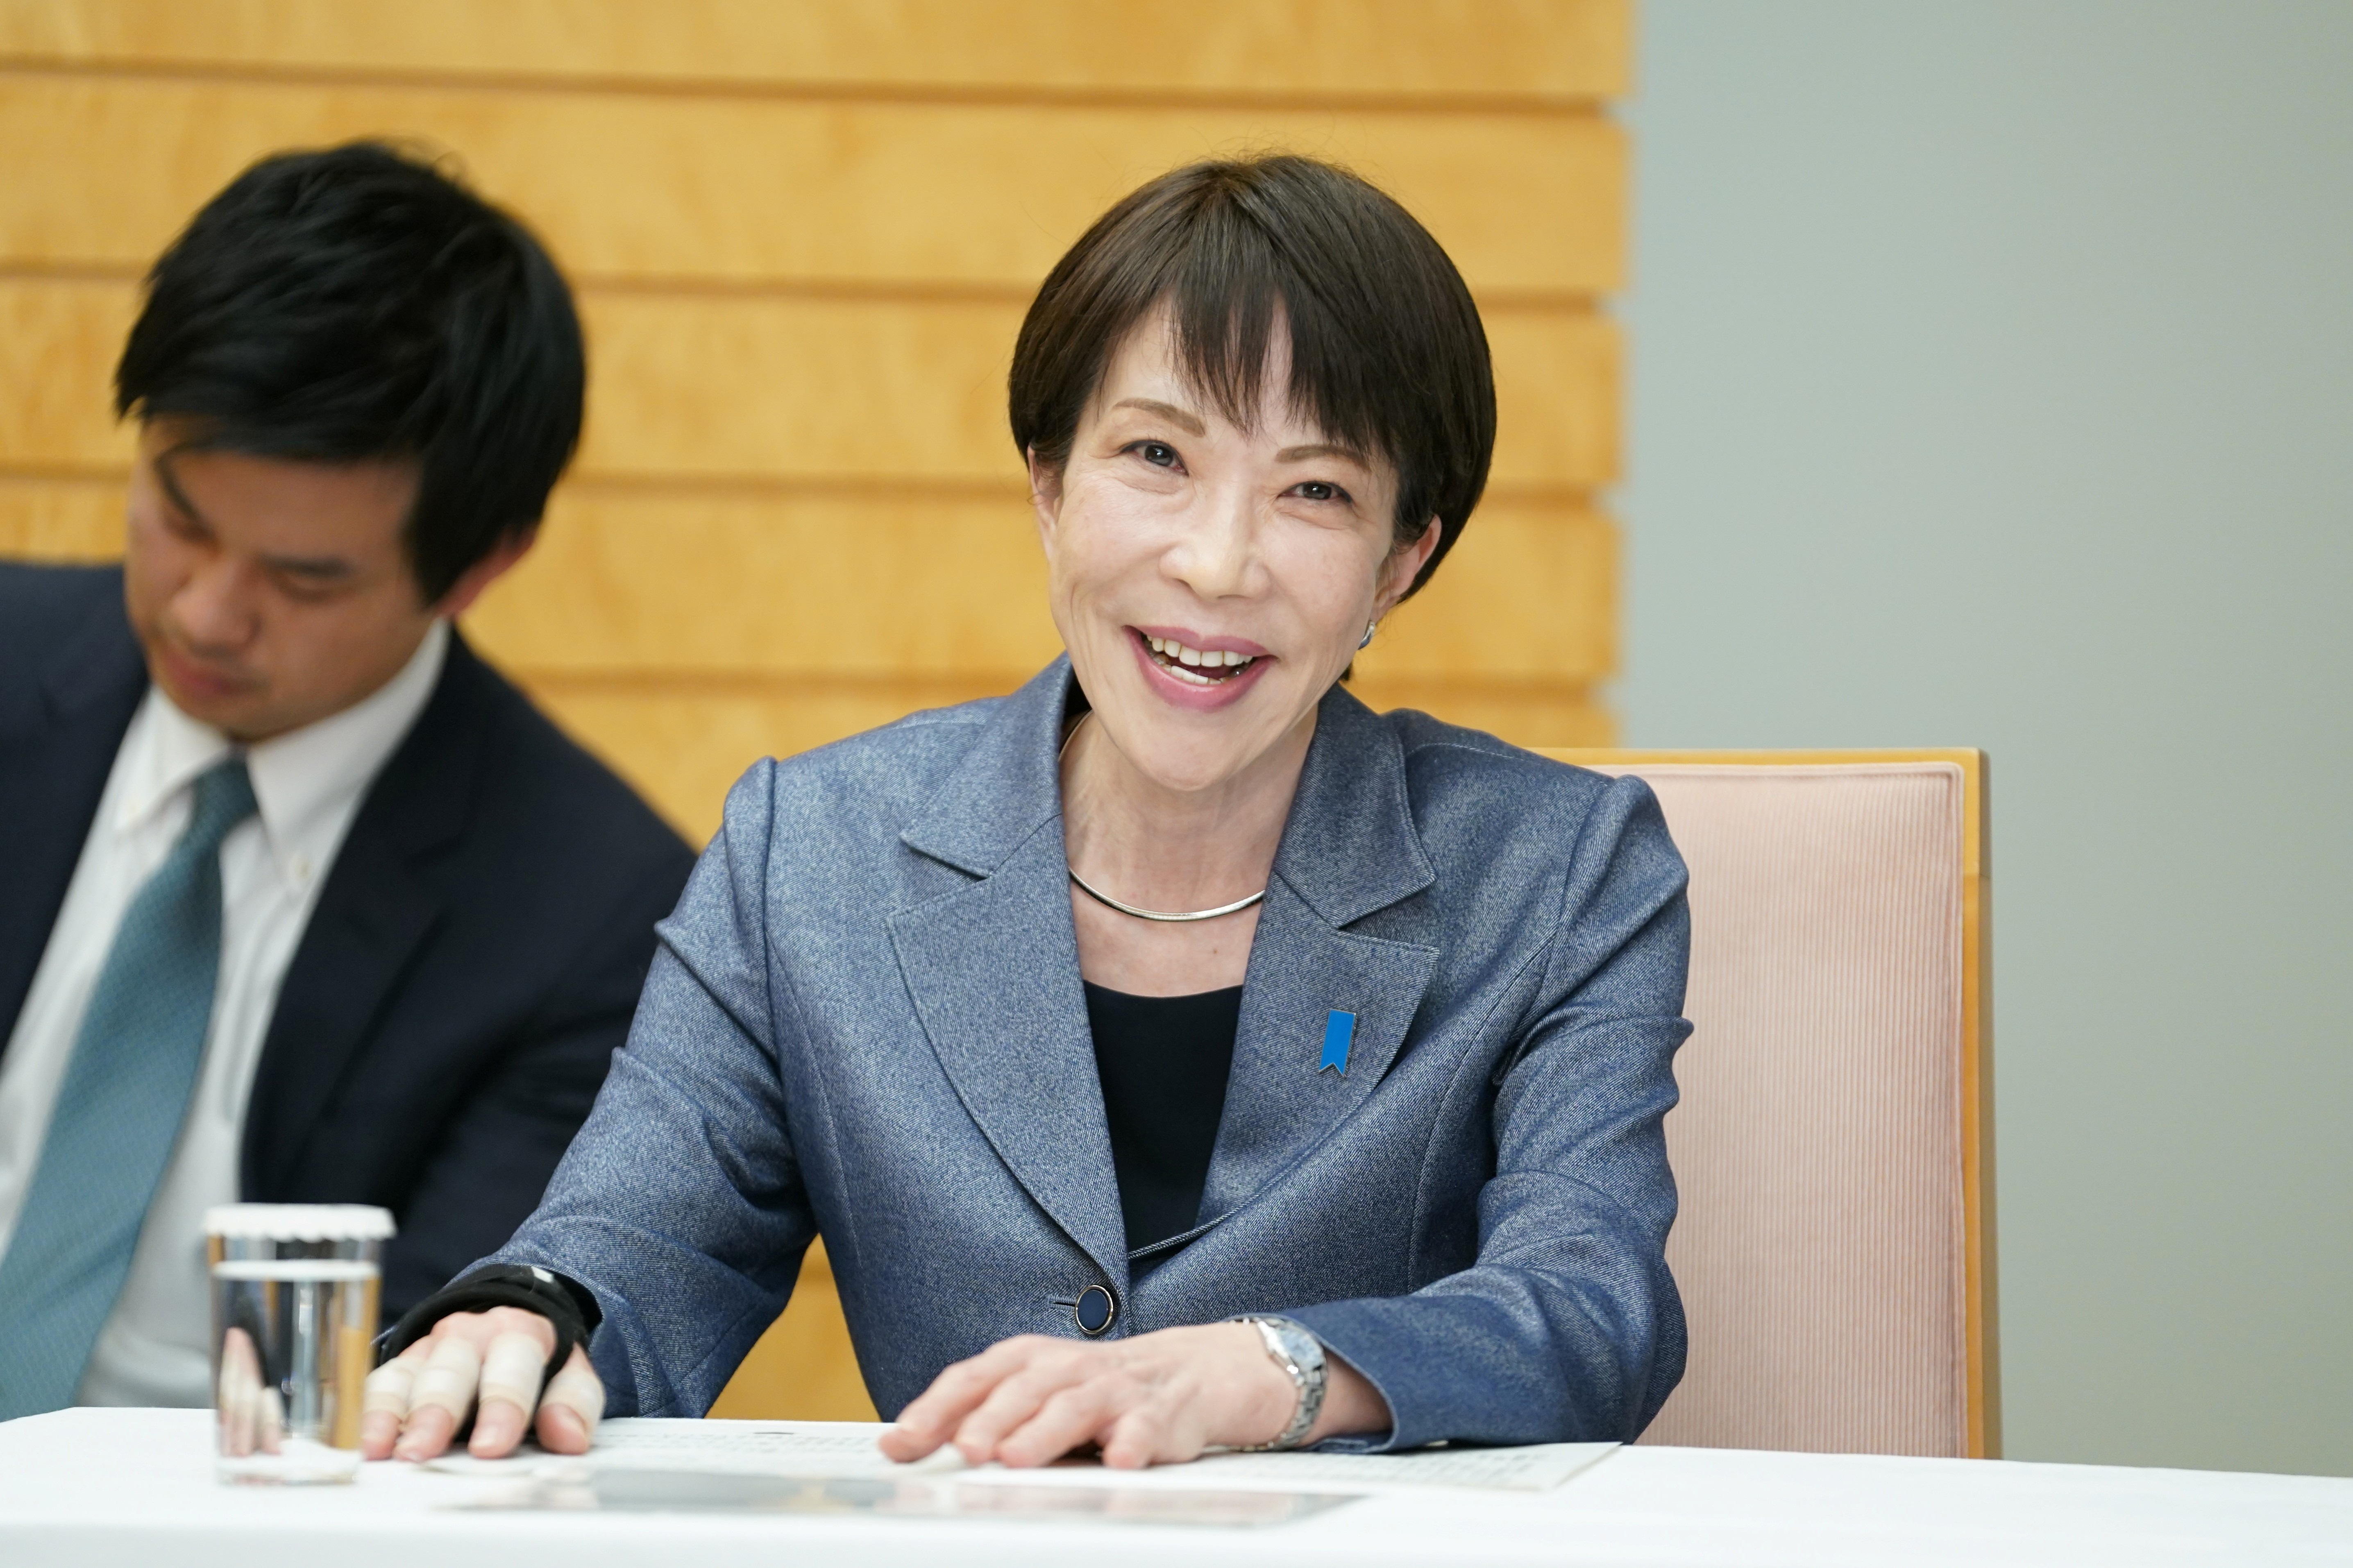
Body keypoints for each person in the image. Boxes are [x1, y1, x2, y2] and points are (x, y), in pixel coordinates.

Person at [365, 154, 1692, 1468]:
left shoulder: (1559, 869)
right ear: (1051, 485)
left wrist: (1259, 1371)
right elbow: (636, 1244)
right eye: (1157, 456)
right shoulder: (810, 850)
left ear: (1403, 560)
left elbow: (1591, 1309)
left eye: (1315, 492)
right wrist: (528, 1318)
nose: (1215, 561)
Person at [0, 143, 696, 1419]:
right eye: (179, 514)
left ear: (483, 562)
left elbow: (429, 1378)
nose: (207, 613)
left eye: (305, 577)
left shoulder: (592, 915)